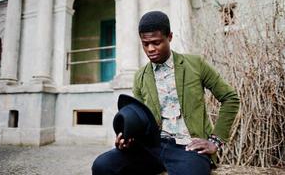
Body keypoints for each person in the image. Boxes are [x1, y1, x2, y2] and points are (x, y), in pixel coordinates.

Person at [92, 11, 240, 175]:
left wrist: (215, 141)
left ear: (169, 37)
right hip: (151, 147)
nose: (150, 49)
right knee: (102, 165)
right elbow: (141, 120)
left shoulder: (195, 64)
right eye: (145, 44)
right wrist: (128, 139)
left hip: (188, 148)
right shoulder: (140, 76)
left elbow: (230, 98)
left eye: (156, 42)